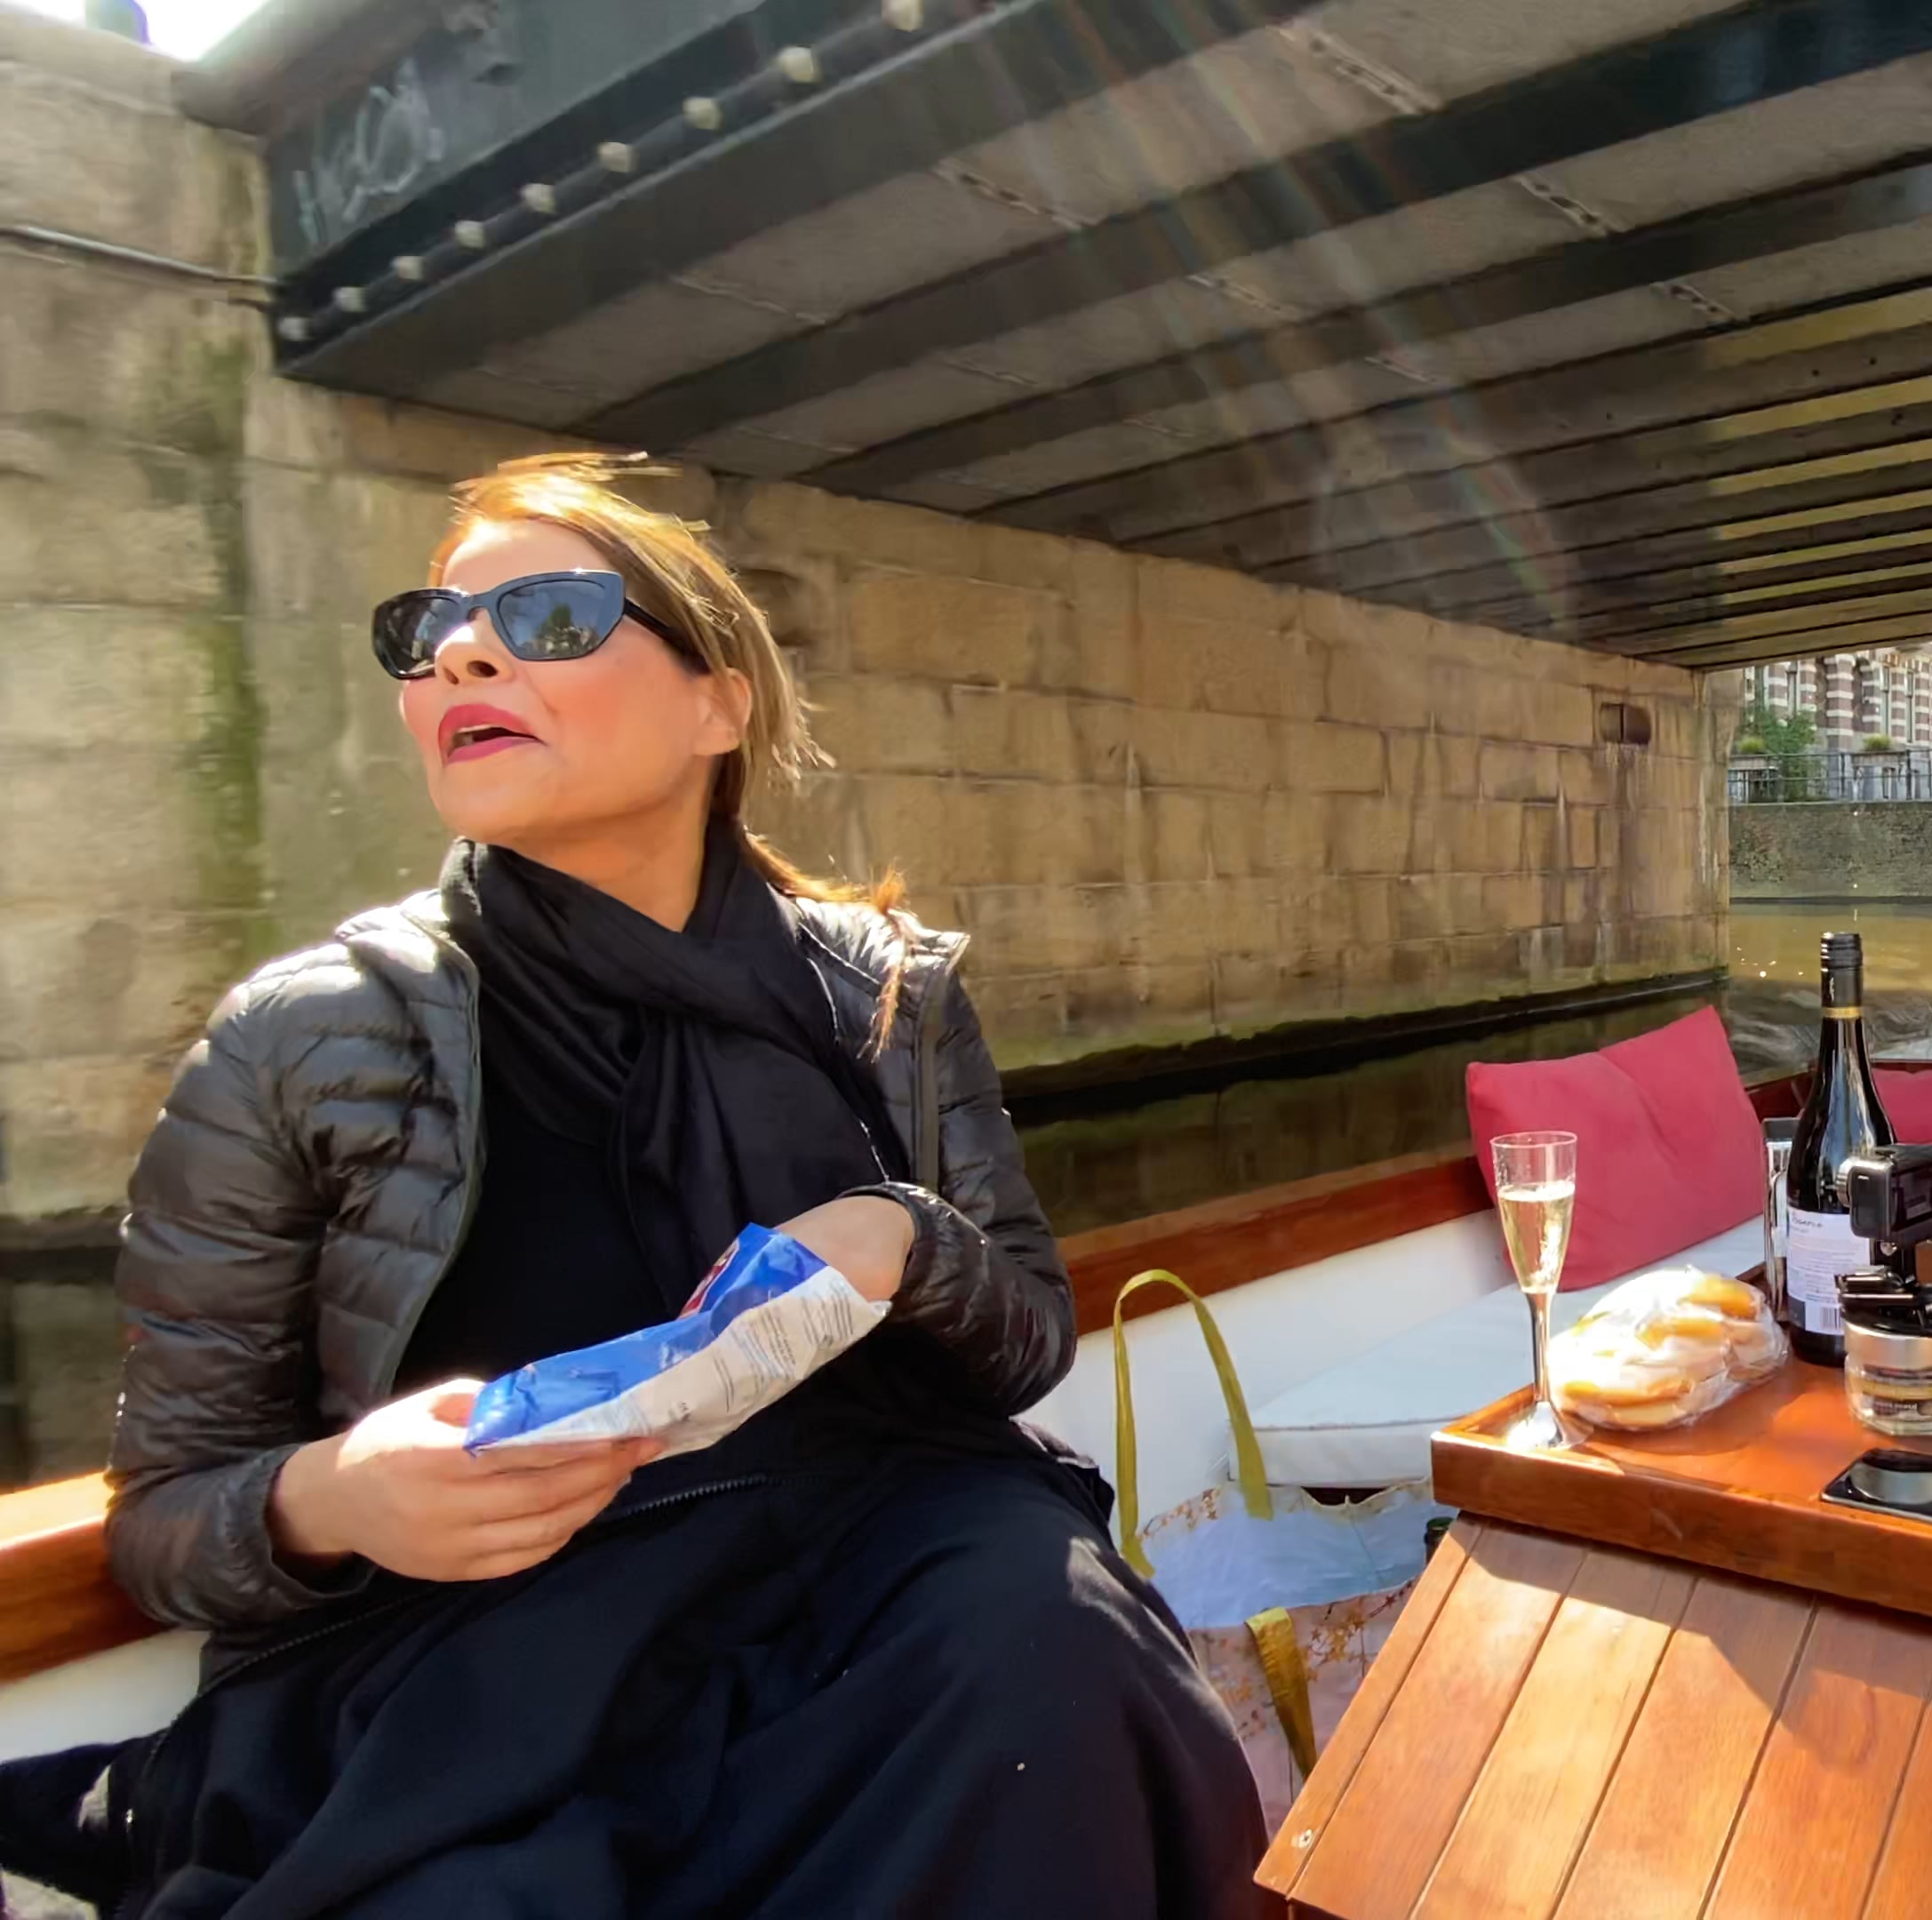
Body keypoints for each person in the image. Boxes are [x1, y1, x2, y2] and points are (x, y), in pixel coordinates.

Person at [0, 455, 1260, 1917]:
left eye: (544, 617)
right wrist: (338, 1496)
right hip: (485, 1645)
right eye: (430, 630)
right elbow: (167, 1514)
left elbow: (1026, 1338)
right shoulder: (297, 1034)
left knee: (1052, 1665)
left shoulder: (891, 997)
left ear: (717, 704)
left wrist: (904, 1244)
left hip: (888, 1557)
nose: (460, 652)